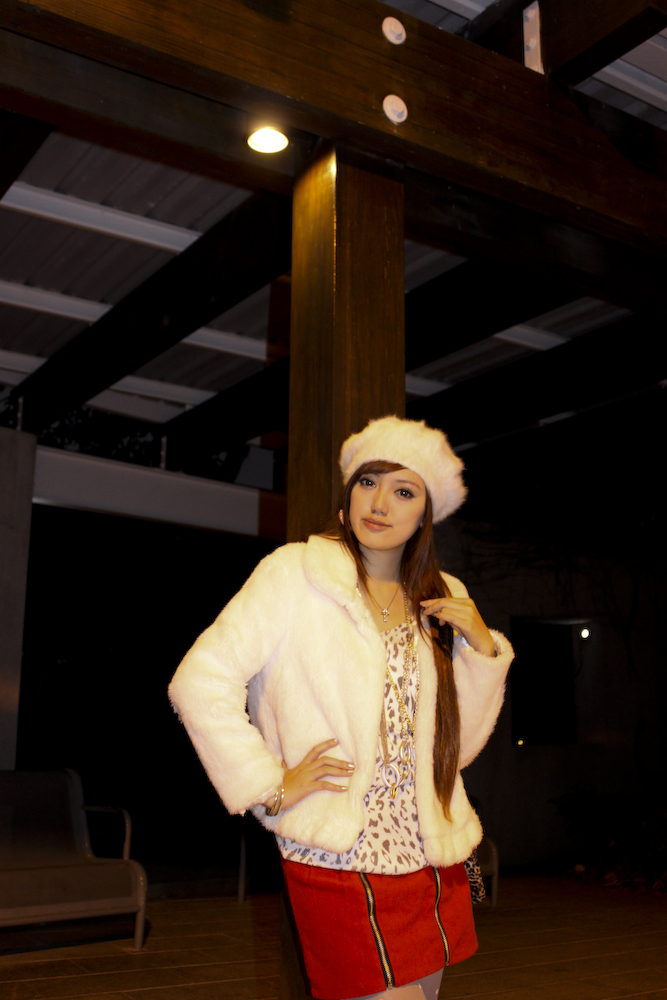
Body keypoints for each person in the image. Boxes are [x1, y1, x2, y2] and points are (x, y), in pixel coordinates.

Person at [169, 415, 513, 1000]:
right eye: (368, 482)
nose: (379, 503)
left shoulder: (444, 596)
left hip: (432, 853)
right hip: (336, 851)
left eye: (403, 491)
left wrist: (482, 651)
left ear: (425, 514)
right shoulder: (294, 574)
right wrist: (268, 785)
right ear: (348, 494)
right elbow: (199, 681)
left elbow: (458, 750)